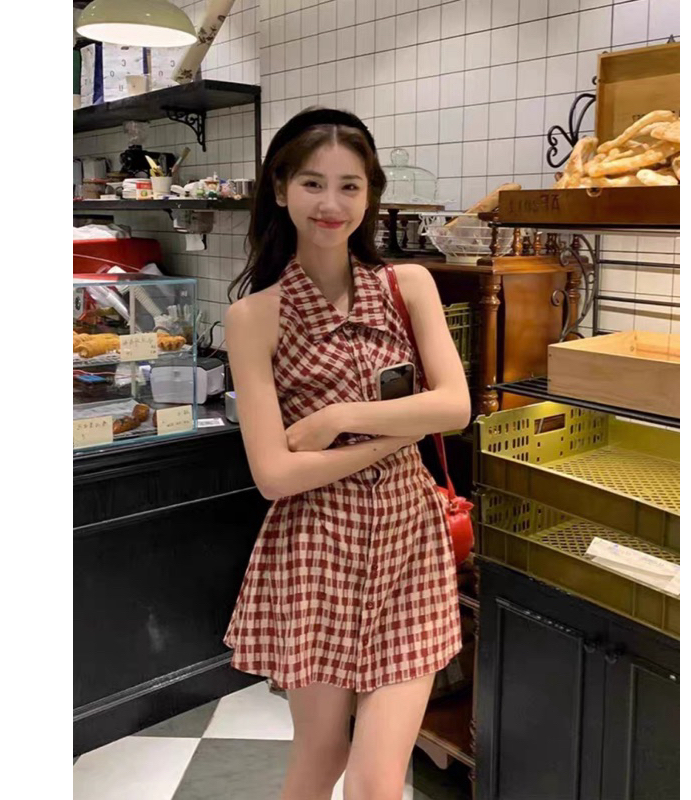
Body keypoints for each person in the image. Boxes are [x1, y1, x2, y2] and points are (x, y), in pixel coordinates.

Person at [223, 107, 471, 800]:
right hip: (317, 545)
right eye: (312, 183)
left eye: (349, 186)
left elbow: (456, 406)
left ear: (370, 196)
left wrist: (339, 419)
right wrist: (399, 435)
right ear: (280, 190)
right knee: (322, 751)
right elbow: (275, 475)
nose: (330, 203)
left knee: (375, 780)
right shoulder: (254, 317)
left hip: (409, 540)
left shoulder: (408, 286)